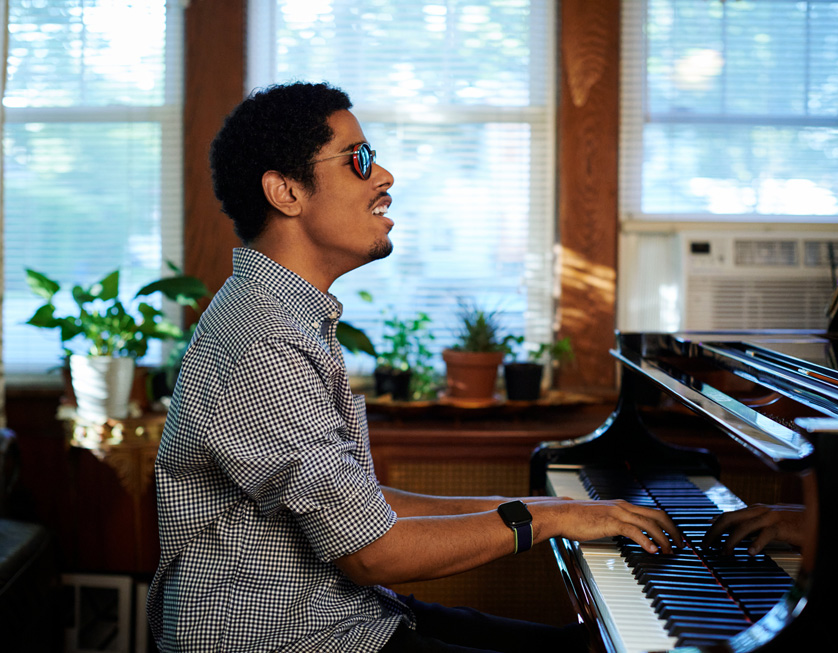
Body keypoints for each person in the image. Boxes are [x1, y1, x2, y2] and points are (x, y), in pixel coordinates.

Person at [146, 81, 684, 653]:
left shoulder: (280, 314)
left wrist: (554, 508)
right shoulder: (264, 341)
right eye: (360, 159)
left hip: (346, 618)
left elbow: (364, 508)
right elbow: (371, 553)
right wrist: (543, 521)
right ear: (286, 192)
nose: (385, 177)